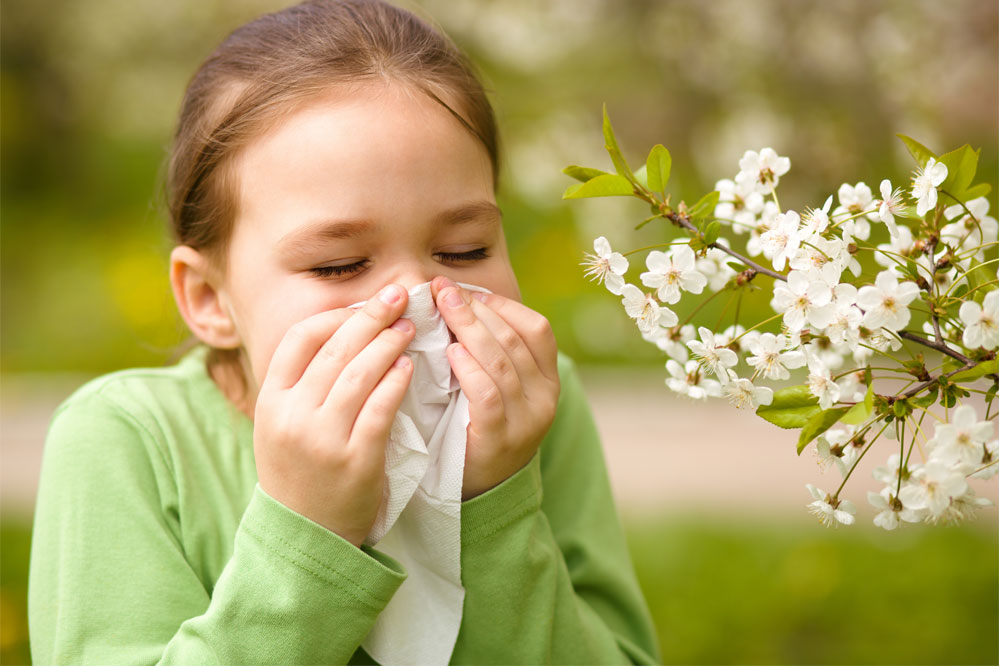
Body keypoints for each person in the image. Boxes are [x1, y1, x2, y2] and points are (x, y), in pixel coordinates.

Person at [27, 0, 660, 663]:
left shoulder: (533, 405)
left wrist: (494, 506)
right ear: (210, 297)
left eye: (465, 249)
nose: (418, 299)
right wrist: (307, 532)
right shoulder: (128, 442)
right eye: (339, 265)